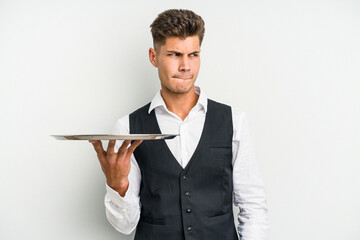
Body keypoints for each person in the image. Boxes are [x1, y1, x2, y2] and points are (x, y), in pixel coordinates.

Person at [90, 9, 268, 240]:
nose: (186, 66)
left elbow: (253, 206)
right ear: (154, 57)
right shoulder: (128, 128)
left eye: (193, 55)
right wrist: (117, 185)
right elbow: (125, 226)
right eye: (175, 54)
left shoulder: (234, 120)